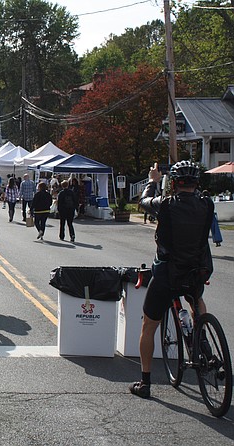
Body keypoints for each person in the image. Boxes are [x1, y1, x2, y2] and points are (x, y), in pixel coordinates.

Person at [130, 161, 214, 399]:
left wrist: (153, 182)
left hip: (168, 273)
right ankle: (204, 343)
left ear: (174, 183)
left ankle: (145, 382)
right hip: (196, 270)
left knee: (149, 324)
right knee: (196, 299)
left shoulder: (166, 205)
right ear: (196, 183)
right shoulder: (207, 205)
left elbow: (143, 202)